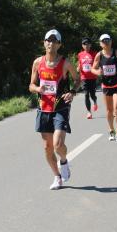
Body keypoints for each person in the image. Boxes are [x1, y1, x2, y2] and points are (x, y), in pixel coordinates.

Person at [29, 29, 80, 190]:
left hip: (60, 107)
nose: (50, 43)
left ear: (59, 44)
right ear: (44, 43)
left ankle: (64, 161)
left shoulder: (65, 63)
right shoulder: (38, 62)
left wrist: (72, 92)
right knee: (47, 147)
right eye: (47, 40)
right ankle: (57, 177)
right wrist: (38, 89)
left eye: (54, 41)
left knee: (58, 145)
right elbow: (31, 85)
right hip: (43, 108)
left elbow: (78, 79)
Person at [91, 34, 117, 142]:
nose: (106, 42)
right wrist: (98, 72)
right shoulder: (99, 55)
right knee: (109, 110)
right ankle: (111, 130)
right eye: (103, 41)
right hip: (106, 85)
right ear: (100, 43)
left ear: (111, 41)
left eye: (107, 40)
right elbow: (93, 68)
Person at [77, 37, 99, 119]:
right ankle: (89, 112)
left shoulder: (95, 54)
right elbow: (80, 64)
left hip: (92, 77)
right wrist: (78, 67)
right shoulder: (80, 54)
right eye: (84, 44)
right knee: (86, 94)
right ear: (82, 45)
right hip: (84, 78)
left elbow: (97, 64)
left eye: (88, 44)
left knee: (92, 94)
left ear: (90, 45)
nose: (86, 45)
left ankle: (95, 101)